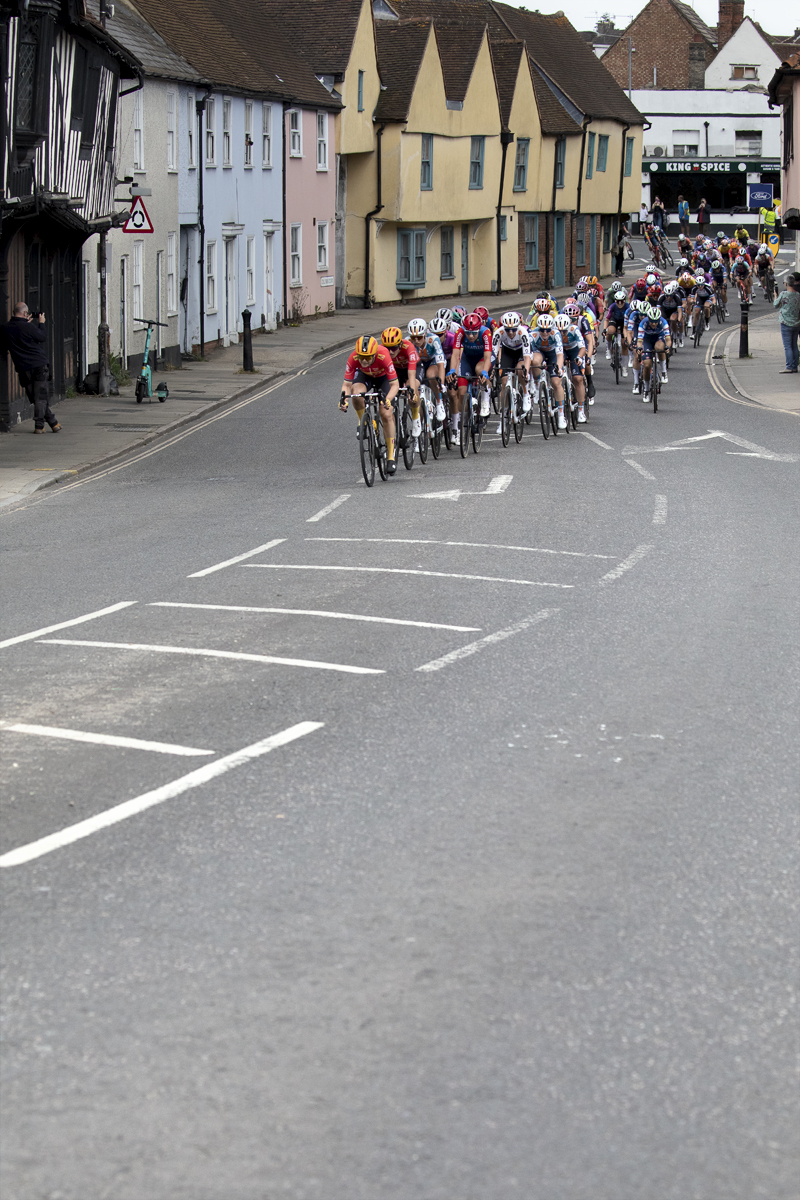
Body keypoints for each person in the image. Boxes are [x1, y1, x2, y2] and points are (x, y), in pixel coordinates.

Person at [339, 335, 400, 474]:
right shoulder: (353, 357)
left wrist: (388, 400)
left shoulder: (384, 355)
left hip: (383, 379)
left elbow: (395, 385)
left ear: (374, 354)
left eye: (367, 358)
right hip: (365, 377)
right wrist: (344, 401)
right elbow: (346, 384)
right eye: (361, 357)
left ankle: (390, 456)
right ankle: (363, 421)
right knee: (356, 392)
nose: (364, 361)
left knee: (386, 413)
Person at [3, 302, 61, 433]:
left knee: (35, 397)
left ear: (14, 312)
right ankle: (39, 426)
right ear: (25, 313)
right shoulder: (29, 327)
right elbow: (42, 337)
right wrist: (41, 323)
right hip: (39, 364)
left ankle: (53, 422)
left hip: (23, 367)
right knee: (40, 396)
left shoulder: (6, 328)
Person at [774, 275, 800, 374]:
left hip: (785, 323)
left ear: (785, 283)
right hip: (796, 323)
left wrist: (775, 296)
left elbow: (775, 304)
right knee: (794, 345)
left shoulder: (784, 294)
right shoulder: (798, 294)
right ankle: (794, 366)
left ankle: (789, 366)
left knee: (788, 346)